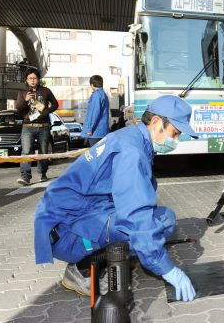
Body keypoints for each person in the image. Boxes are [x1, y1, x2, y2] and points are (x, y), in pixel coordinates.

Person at [34, 95, 199, 301]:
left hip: (75, 217)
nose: (175, 140)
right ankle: (82, 269)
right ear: (156, 122)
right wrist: (167, 269)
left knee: (161, 218)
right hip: (66, 231)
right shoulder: (132, 151)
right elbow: (135, 215)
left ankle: (109, 256)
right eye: (175, 133)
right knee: (157, 222)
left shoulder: (132, 137)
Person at [15, 68, 59, 185]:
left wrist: (47, 111)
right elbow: (19, 109)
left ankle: (43, 172)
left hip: (43, 125)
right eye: (30, 78)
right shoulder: (22, 93)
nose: (33, 80)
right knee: (26, 151)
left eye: (35, 78)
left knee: (43, 151)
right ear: (26, 80)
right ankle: (25, 176)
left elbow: (55, 104)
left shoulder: (46, 91)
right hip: (28, 126)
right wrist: (25, 100)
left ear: (38, 79)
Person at [80, 75, 110, 146]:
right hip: (103, 131)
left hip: (95, 132)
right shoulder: (104, 95)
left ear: (92, 85)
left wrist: (90, 129)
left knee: (94, 154)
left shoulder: (96, 95)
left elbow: (94, 113)